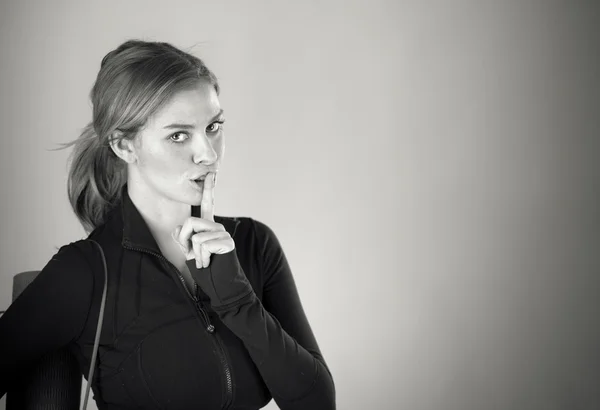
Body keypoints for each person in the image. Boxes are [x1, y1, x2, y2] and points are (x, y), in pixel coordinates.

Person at [0, 39, 335, 410]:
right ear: (124, 146)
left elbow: (318, 403)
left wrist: (237, 298)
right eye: (179, 135)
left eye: (214, 126)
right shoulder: (87, 272)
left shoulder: (253, 243)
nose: (208, 153)